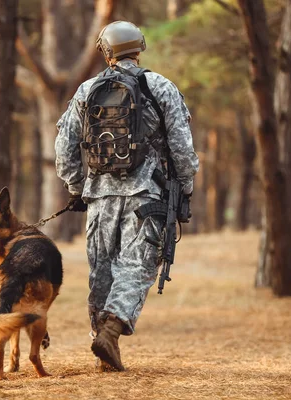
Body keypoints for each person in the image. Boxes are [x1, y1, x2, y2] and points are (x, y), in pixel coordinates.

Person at [55, 20, 199, 372]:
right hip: (146, 196)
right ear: (139, 48)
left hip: (99, 198)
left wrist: (77, 187)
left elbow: (64, 149)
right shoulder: (160, 86)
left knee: (101, 270)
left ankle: (102, 338)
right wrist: (186, 186)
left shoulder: (86, 90)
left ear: (107, 52)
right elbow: (182, 147)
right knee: (136, 266)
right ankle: (113, 329)